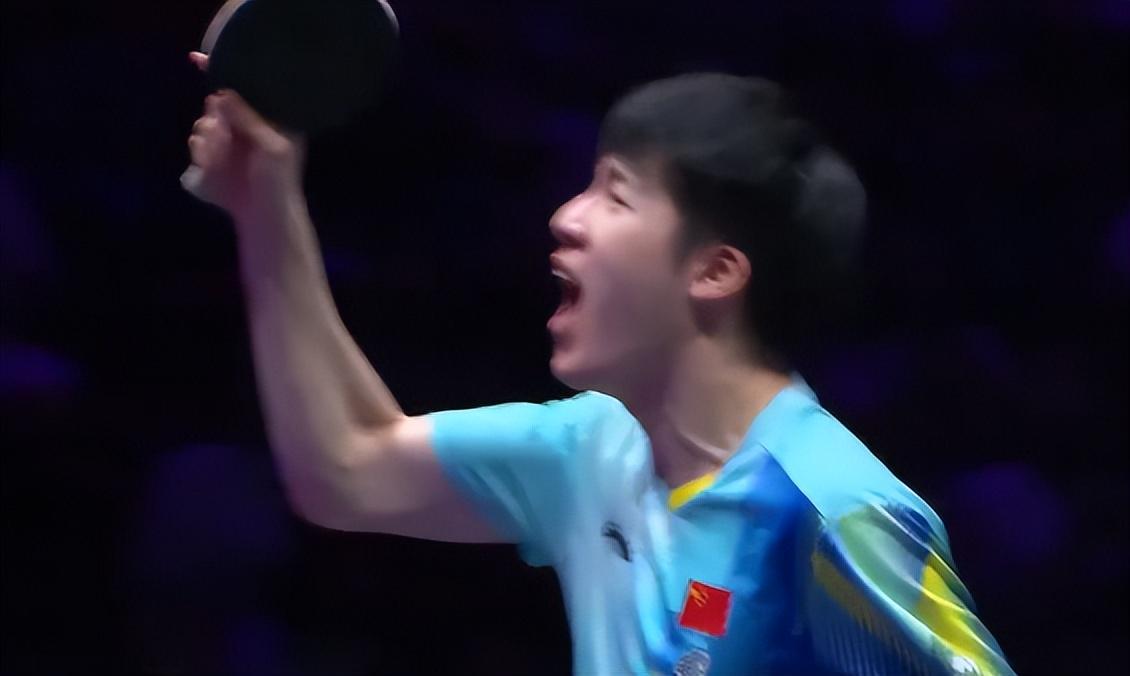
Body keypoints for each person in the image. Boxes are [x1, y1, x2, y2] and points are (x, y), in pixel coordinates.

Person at [184, 51, 1014, 675]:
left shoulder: (834, 511)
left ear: (715, 271)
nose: (566, 218)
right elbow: (347, 469)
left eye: (614, 195)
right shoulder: (592, 450)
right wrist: (265, 205)